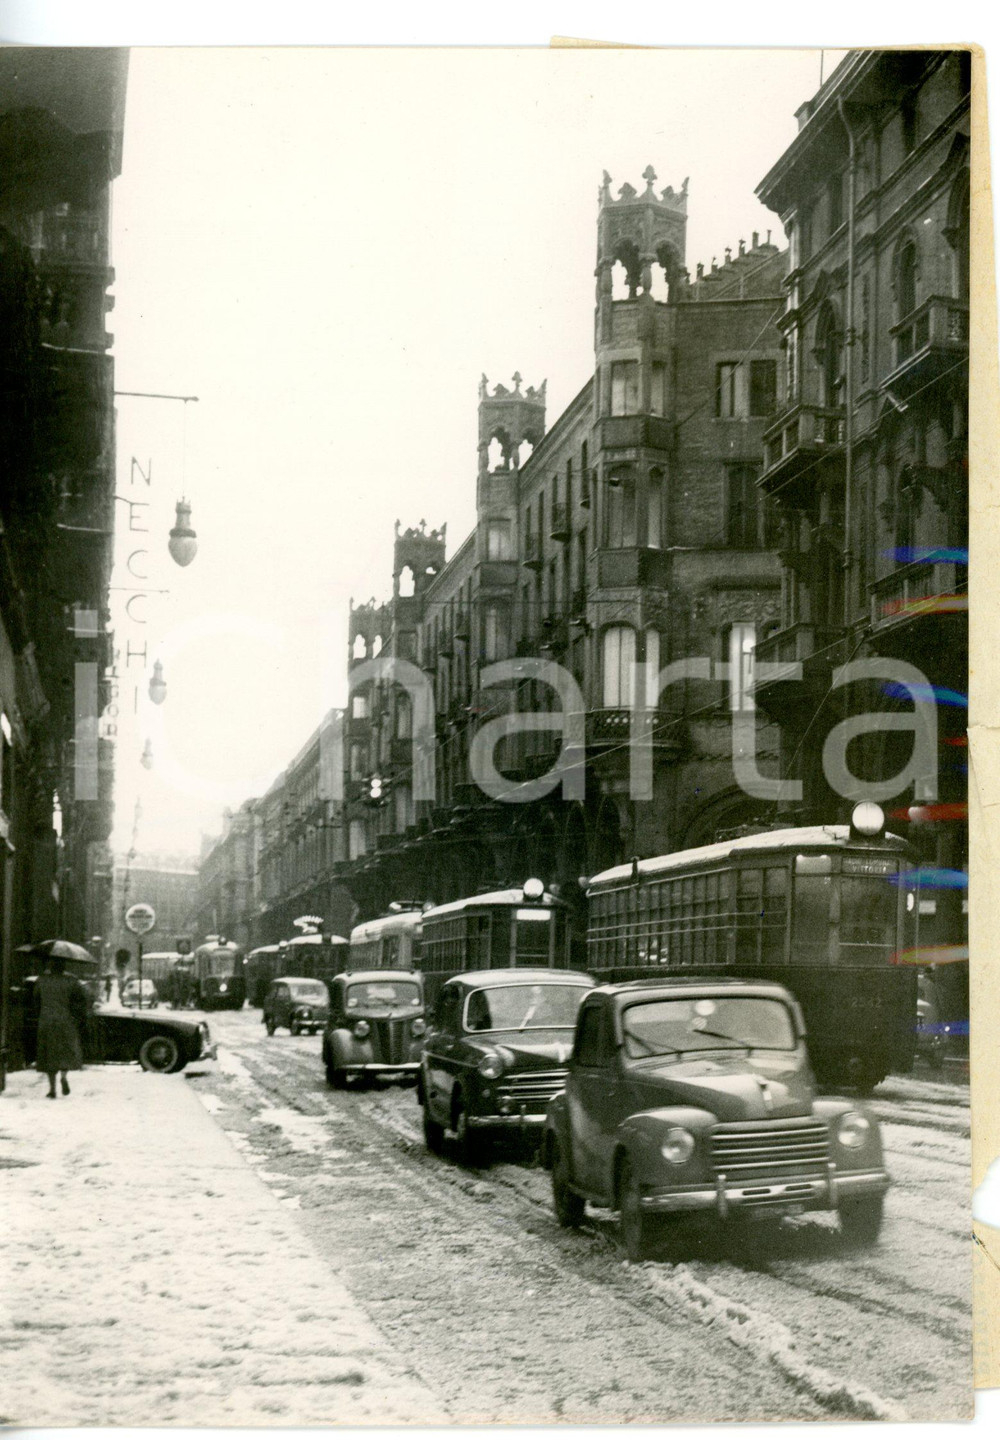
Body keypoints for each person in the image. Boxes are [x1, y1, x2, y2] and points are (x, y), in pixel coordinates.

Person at [33, 955, 86, 1099]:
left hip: (46, 1020)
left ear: (50, 967)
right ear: (63, 968)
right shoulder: (71, 981)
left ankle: (52, 1089)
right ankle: (63, 1076)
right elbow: (81, 999)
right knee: (65, 1052)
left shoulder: (42, 980)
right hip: (65, 1021)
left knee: (49, 1054)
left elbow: (35, 999)